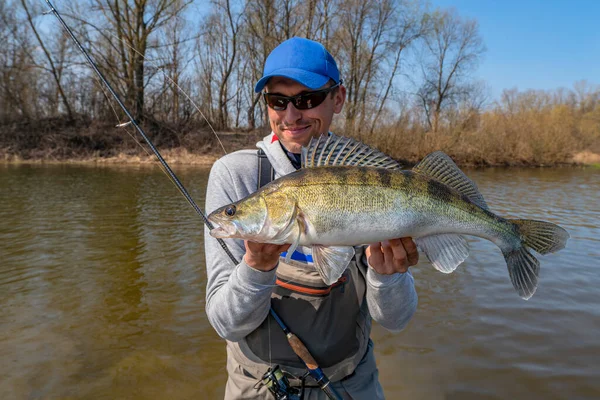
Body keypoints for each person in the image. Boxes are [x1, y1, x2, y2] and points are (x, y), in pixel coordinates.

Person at [204, 37, 418, 399]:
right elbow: (226, 323)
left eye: (307, 100)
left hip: (351, 384)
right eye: (278, 101)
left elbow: (396, 320)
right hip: (259, 386)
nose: (291, 115)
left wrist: (387, 277)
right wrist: (255, 268)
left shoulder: (366, 177)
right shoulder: (235, 175)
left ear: (337, 98)